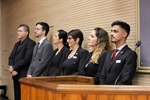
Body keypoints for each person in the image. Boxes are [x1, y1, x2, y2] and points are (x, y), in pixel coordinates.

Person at [100, 21, 137, 85]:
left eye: (115, 31)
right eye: (111, 31)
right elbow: (102, 76)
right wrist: (105, 89)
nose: (111, 34)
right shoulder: (108, 54)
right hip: (106, 92)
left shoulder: (130, 54)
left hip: (120, 92)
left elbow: (126, 79)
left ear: (124, 34)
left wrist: (113, 91)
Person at [8, 24, 36, 100]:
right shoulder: (16, 44)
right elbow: (11, 57)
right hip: (15, 74)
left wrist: (14, 67)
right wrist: (12, 68)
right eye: (17, 31)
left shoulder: (31, 43)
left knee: (23, 96)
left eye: (20, 31)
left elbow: (27, 59)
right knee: (17, 96)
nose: (18, 32)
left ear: (26, 33)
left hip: (23, 74)